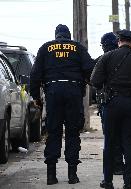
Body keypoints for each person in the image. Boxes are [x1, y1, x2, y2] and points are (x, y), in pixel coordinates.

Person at [30, 24, 94, 185]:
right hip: (73, 91)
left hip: (53, 92)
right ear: (68, 35)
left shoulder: (45, 48)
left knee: (53, 132)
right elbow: (90, 69)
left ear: (56, 35)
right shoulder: (78, 47)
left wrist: (36, 97)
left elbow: (35, 75)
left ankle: (51, 175)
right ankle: (72, 175)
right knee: (73, 132)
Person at [91, 29, 131, 189]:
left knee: (110, 142)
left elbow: (95, 81)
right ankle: (128, 183)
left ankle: (108, 181)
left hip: (111, 103)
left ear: (118, 40)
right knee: (130, 143)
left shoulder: (107, 57)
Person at [94, 32, 125, 175]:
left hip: (105, 103)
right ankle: (119, 164)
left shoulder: (100, 60)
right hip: (124, 101)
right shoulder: (125, 58)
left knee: (109, 136)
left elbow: (94, 81)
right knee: (122, 134)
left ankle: (111, 166)